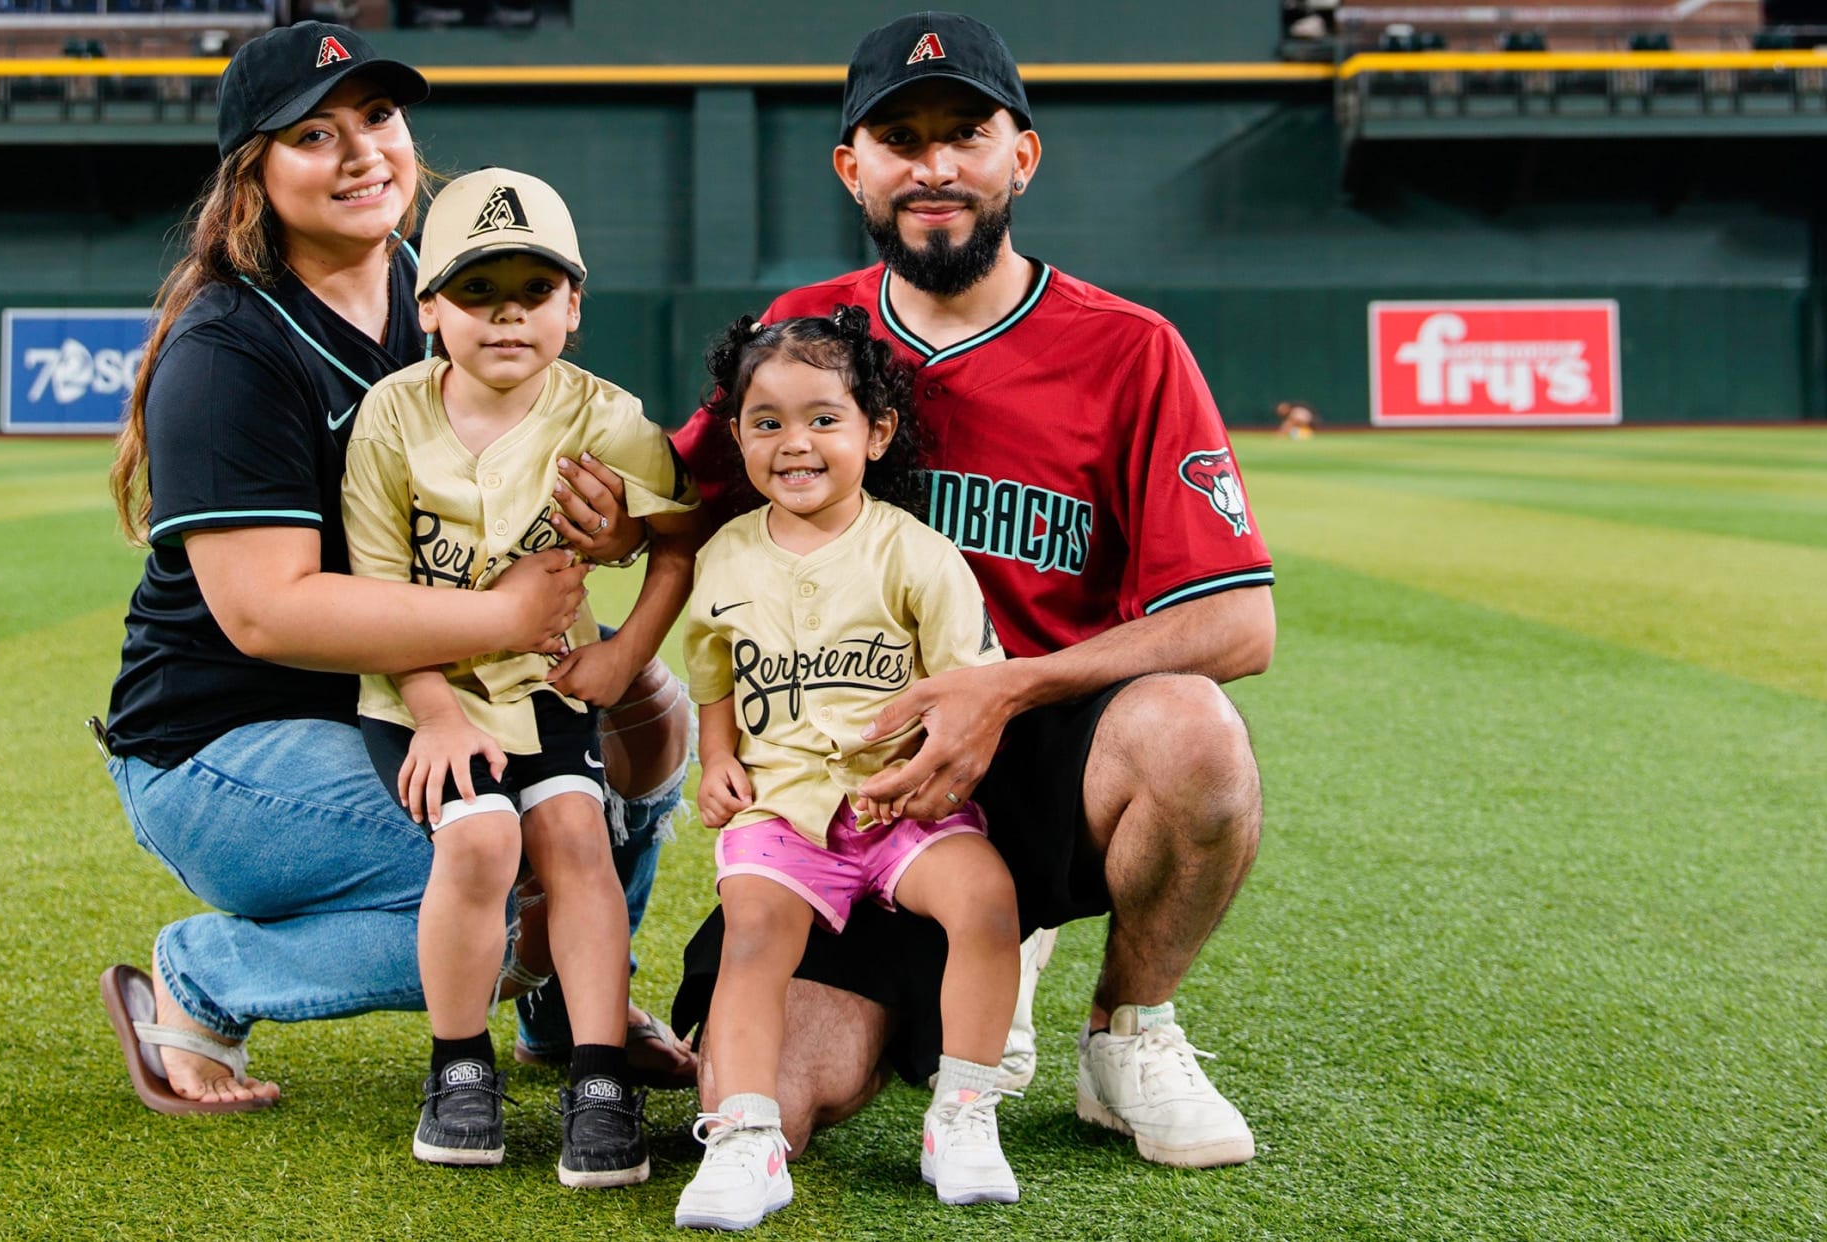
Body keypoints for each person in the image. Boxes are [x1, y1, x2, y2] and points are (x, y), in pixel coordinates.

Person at [668, 12, 1276, 1169]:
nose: (933, 166)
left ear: (1021, 155)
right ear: (854, 168)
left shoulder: (1129, 349)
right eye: (898, 138)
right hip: (846, 785)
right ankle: (961, 979)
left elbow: (1239, 623)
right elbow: (679, 506)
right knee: (774, 1098)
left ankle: (1128, 1029)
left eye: (965, 133)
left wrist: (1004, 692)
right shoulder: (808, 342)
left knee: (1195, 731)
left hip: (1045, 760)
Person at [94, 22, 692, 1124]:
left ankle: (564, 1008)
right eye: (314, 135)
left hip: (414, 696)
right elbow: (265, 612)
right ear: (254, 177)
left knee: (649, 722)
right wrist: (500, 616)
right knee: (505, 870)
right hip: (224, 743)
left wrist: (605, 534)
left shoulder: (445, 286)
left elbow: (547, 480)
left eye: (377, 118)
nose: (362, 150)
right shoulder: (231, 349)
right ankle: (204, 978)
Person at [340, 167, 700, 1185]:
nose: (508, 315)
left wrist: (627, 653)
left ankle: (596, 1074)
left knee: (579, 838)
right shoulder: (391, 416)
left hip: (542, 686)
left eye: (535, 291)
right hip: (414, 689)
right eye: (477, 290)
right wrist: (433, 714)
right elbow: (373, 591)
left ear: (573, 307)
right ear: (430, 307)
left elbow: (680, 536)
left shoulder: (604, 413)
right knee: (485, 837)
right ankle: (459, 1066)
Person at [672, 310, 1022, 1230]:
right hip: (783, 812)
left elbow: (967, 690)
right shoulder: (721, 559)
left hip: (902, 805)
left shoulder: (913, 552)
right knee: (753, 935)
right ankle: (747, 1141)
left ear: (877, 431)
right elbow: (711, 679)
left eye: (825, 418)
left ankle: (965, 1113)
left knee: (985, 899)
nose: (796, 443)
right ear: (738, 434)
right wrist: (715, 759)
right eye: (768, 420)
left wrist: (932, 781)